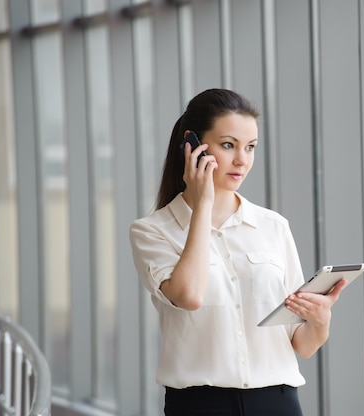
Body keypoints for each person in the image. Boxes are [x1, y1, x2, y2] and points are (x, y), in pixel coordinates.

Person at [129, 88, 347, 416]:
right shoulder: (152, 231)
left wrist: (320, 320)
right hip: (200, 405)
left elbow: (301, 345)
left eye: (250, 147)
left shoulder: (274, 227)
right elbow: (188, 296)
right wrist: (201, 204)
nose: (242, 160)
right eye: (228, 145)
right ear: (192, 147)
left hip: (278, 402)